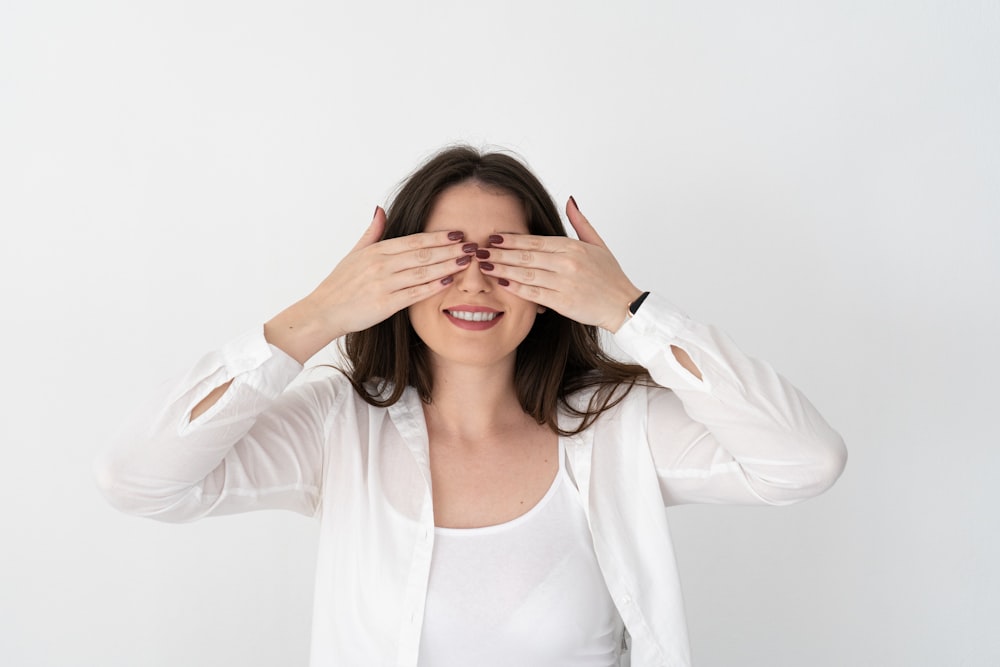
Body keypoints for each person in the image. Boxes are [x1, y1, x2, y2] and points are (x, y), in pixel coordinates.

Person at [96, 146, 847, 667]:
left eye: (507, 258)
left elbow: (804, 461)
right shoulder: (337, 427)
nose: (475, 284)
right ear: (393, 275)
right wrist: (317, 314)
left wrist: (629, 310)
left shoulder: (617, 427)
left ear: (555, 277)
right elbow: (139, 478)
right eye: (443, 258)